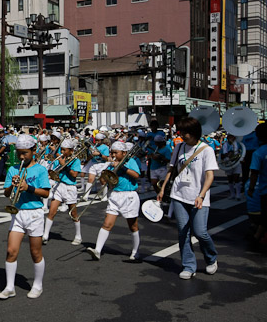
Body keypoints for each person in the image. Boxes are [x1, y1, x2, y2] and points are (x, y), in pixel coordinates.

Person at [156, 117, 219, 279]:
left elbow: (210, 175)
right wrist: (163, 189)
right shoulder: (178, 147)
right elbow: (171, 169)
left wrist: (202, 194)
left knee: (200, 232)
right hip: (179, 194)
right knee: (183, 232)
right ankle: (189, 265)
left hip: (199, 196)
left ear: (194, 133)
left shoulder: (206, 150)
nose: (182, 135)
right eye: (181, 131)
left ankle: (211, 258)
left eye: (185, 132)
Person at [0, 134, 50, 300]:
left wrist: (28, 188)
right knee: (11, 251)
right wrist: (12, 186)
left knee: (35, 252)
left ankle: (38, 285)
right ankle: (10, 286)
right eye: (19, 153)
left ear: (33, 151)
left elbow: (46, 193)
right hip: (18, 213)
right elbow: (6, 193)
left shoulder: (40, 169)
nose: (21, 156)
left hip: (35, 213)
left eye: (25, 153)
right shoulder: (13, 169)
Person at [86, 141, 141, 261]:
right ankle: (97, 250)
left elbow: (136, 175)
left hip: (129, 196)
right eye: (112, 152)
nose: (113, 155)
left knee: (133, 226)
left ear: (124, 153)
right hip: (115, 195)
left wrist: (122, 167)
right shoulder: (111, 164)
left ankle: (135, 252)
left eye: (116, 152)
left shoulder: (130, 161)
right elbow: (103, 181)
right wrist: (104, 174)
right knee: (107, 224)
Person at [43, 138, 82, 245]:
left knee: (73, 213)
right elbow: (54, 172)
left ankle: (78, 235)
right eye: (62, 149)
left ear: (71, 150)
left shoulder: (75, 160)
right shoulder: (59, 159)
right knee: (52, 211)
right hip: (59, 186)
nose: (62, 152)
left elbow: (74, 175)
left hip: (70, 188)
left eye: (65, 150)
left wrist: (64, 165)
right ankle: (45, 235)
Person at [247, 123, 267, 244]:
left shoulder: (258, 153)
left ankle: (256, 237)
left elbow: (254, 173)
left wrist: (251, 189)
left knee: (265, 215)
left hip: (265, 190)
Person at [81, 133, 110, 201]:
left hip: (102, 164)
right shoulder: (93, 147)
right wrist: (86, 161)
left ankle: (104, 196)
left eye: (98, 140)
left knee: (102, 181)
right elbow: (90, 156)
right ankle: (86, 196)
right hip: (93, 163)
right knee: (90, 179)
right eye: (96, 140)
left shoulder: (105, 147)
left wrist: (99, 154)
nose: (97, 142)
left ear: (102, 140)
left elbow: (106, 158)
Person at [221, 133, 242, 199]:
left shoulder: (238, 144)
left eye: (232, 137)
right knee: (230, 179)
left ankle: (238, 194)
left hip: (236, 162)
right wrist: (227, 154)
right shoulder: (225, 145)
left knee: (236, 178)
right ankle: (232, 194)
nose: (230, 138)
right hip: (228, 163)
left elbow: (241, 152)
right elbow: (221, 155)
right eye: (229, 137)